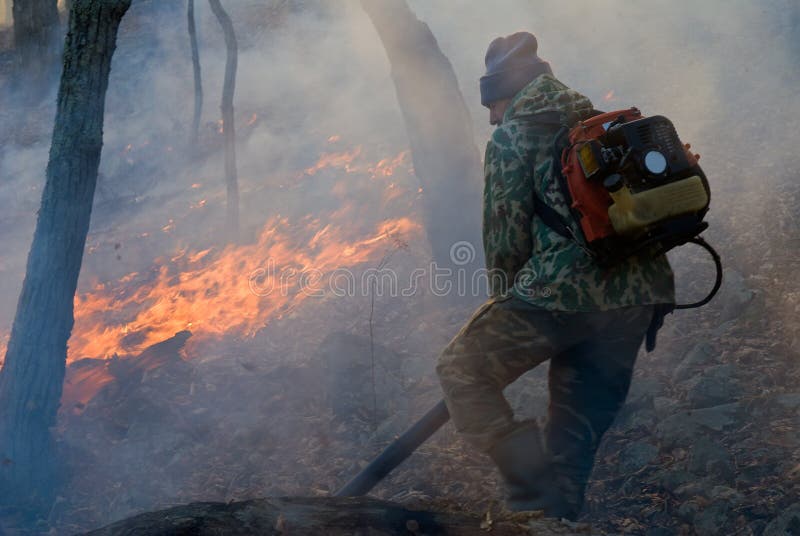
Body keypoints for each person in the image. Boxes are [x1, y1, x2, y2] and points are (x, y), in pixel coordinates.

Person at [435, 32, 676, 520]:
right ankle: (552, 522)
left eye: (493, 102)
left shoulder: (512, 136)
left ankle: (528, 495)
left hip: (562, 295)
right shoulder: (594, 124)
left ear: (509, 93)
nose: (490, 115)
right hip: (639, 298)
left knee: (461, 370)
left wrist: (506, 307)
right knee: (572, 444)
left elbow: (504, 239)